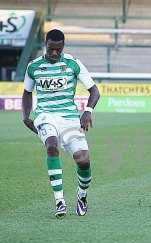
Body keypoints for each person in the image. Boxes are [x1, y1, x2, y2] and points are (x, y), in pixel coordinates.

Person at [22, 29, 100, 218]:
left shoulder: (73, 64)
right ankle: (60, 201)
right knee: (51, 145)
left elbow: (94, 91)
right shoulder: (33, 67)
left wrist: (87, 111)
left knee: (83, 160)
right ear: (45, 45)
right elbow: (27, 93)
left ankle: (82, 195)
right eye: (51, 49)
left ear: (63, 46)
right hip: (45, 115)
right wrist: (25, 116)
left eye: (58, 49)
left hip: (69, 118)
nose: (54, 53)